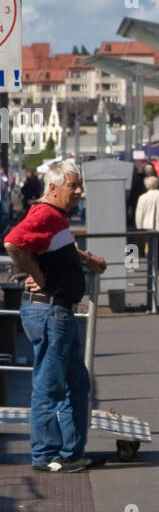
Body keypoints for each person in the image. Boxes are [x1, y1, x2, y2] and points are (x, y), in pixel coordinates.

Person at [3, 159, 106, 472]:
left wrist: (86, 258)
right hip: (49, 309)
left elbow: (58, 246)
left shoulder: (56, 217)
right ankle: (47, 455)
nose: (79, 191)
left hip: (58, 310)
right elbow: (13, 242)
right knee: (50, 385)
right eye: (73, 186)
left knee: (75, 380)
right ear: (52, 188)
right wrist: (40, 276)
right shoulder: (46, 213)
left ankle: (69, 452)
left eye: (80, 185)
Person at [134, 173, 159, 273]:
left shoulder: (143, 197)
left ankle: (152, 266)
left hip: (147, 226)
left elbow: (139, 214)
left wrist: (139, 227)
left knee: (150, 247)